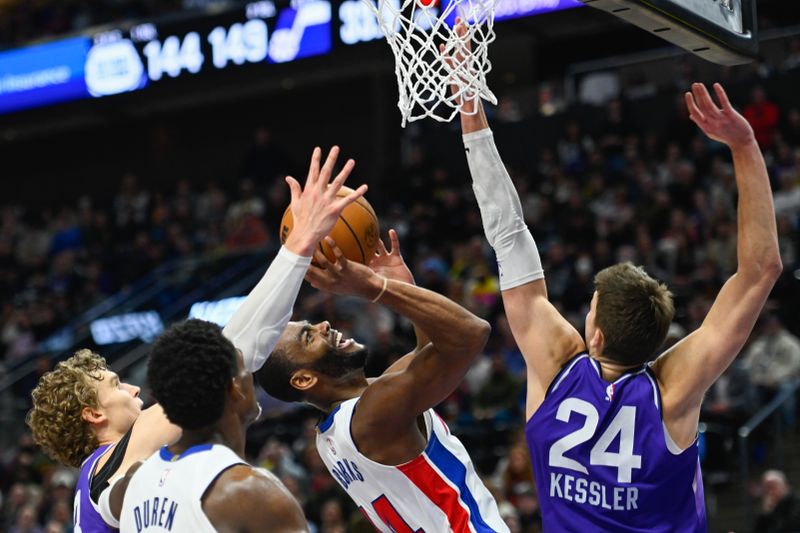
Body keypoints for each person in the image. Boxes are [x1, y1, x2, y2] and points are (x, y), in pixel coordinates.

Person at [454, 29, 781, 531]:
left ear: (598, 334)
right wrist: (744, 144)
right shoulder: (674, 391)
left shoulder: (556, 363)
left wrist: (470, 105)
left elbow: (508, 233)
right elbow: (760, 269)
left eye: (590, 306)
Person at [25, 146, 366, 531]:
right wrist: (299, 246)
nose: (136, 390)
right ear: (94, 415)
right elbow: (228, 354)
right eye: (116, 385)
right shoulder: (115, 463)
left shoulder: (103, 482)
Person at [257, 230, 510, 532]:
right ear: (303, 379)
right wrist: (377, 288)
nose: (323, 325)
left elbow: (424, 353)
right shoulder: (374, 413)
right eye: (308, 336)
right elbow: (471, 334)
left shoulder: (334, 434)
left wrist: (401, 286)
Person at [101, 319, 309, 532]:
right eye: (245, 370)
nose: (251, 377)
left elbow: (101, 507)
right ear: (234, 387)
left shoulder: (132, 482)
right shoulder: (253, 491)